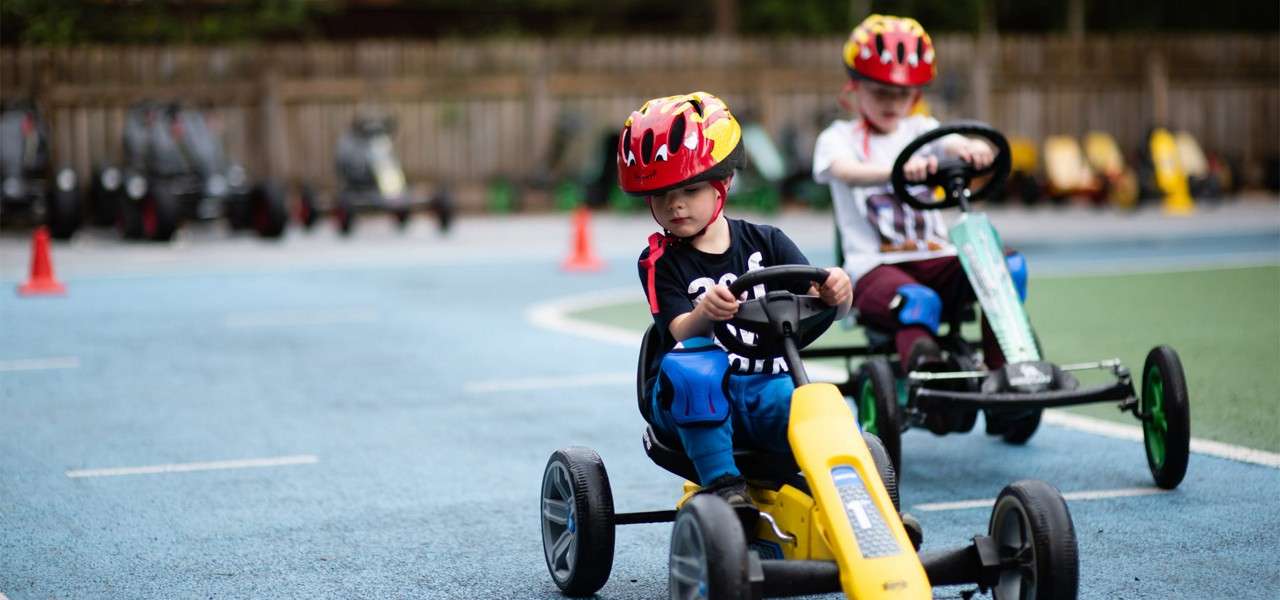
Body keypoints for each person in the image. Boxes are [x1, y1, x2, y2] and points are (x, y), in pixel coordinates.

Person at [622, 92, 852, 509]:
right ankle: (724, 485)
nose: (675, 205)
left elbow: (815, 301)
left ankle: (858, 505)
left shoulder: (767, 242)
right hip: (684, 402)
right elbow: (677, 331)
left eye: (690, 190)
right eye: (661, 196)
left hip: (766, 385)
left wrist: (838, 293)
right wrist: (704, 315)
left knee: (819, 407)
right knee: (696, 370)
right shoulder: (659, 261)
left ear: (722, 183)